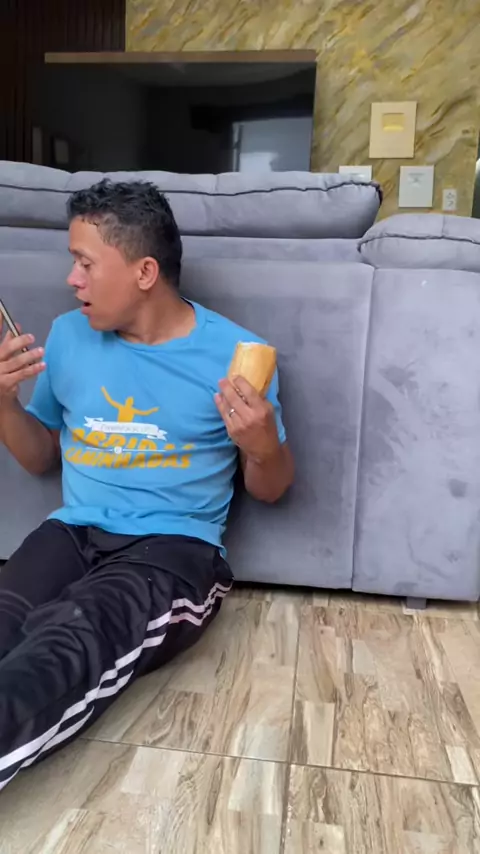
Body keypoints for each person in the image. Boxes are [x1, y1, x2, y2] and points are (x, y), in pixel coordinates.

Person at [0, 179, 293, 791]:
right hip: (72, 531)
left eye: (85, 263)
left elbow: (271, 489)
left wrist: (264, 444)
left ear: (144, 272)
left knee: (71, 639)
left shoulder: (237, 355)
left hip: (172, 551)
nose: (71, 279)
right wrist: (2, 402)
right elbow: (40, 457)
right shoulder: (69, 335)